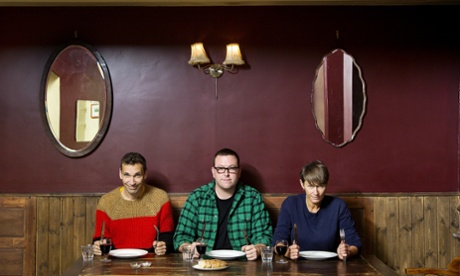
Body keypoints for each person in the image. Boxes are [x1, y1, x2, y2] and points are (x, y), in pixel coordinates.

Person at [173, 148, 273, 261]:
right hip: (204, 262)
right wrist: (189, 248)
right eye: (221, 168)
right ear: (213, 172)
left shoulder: (253, 197)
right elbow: (180, 237)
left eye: (232, 168)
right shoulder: (197, 197)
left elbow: (265, 236)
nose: (226, 173)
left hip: (243, 263)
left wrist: (258, 249)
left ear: (239, 172)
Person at [272, 160, 362, 260]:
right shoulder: (290, 204)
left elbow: (355, 243)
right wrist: (287, 252)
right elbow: (278, 241)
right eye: (310, 186)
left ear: (327, 184)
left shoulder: (338, 206)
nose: (316, 192)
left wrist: (347, 250)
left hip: (331, 266)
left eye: (320, 186)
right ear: (302, 184)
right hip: (296, 265)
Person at [92, 152, 174, 255]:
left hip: (151, 262)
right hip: (116, 262)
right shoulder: (106, 202)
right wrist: (97, 246)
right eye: (127, 175)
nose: (132, 182)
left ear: (145, 174)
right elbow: (99, 239)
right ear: (120, 174)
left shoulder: (160, 198)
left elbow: (168, 238)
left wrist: (164, 246)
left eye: (137, 175)